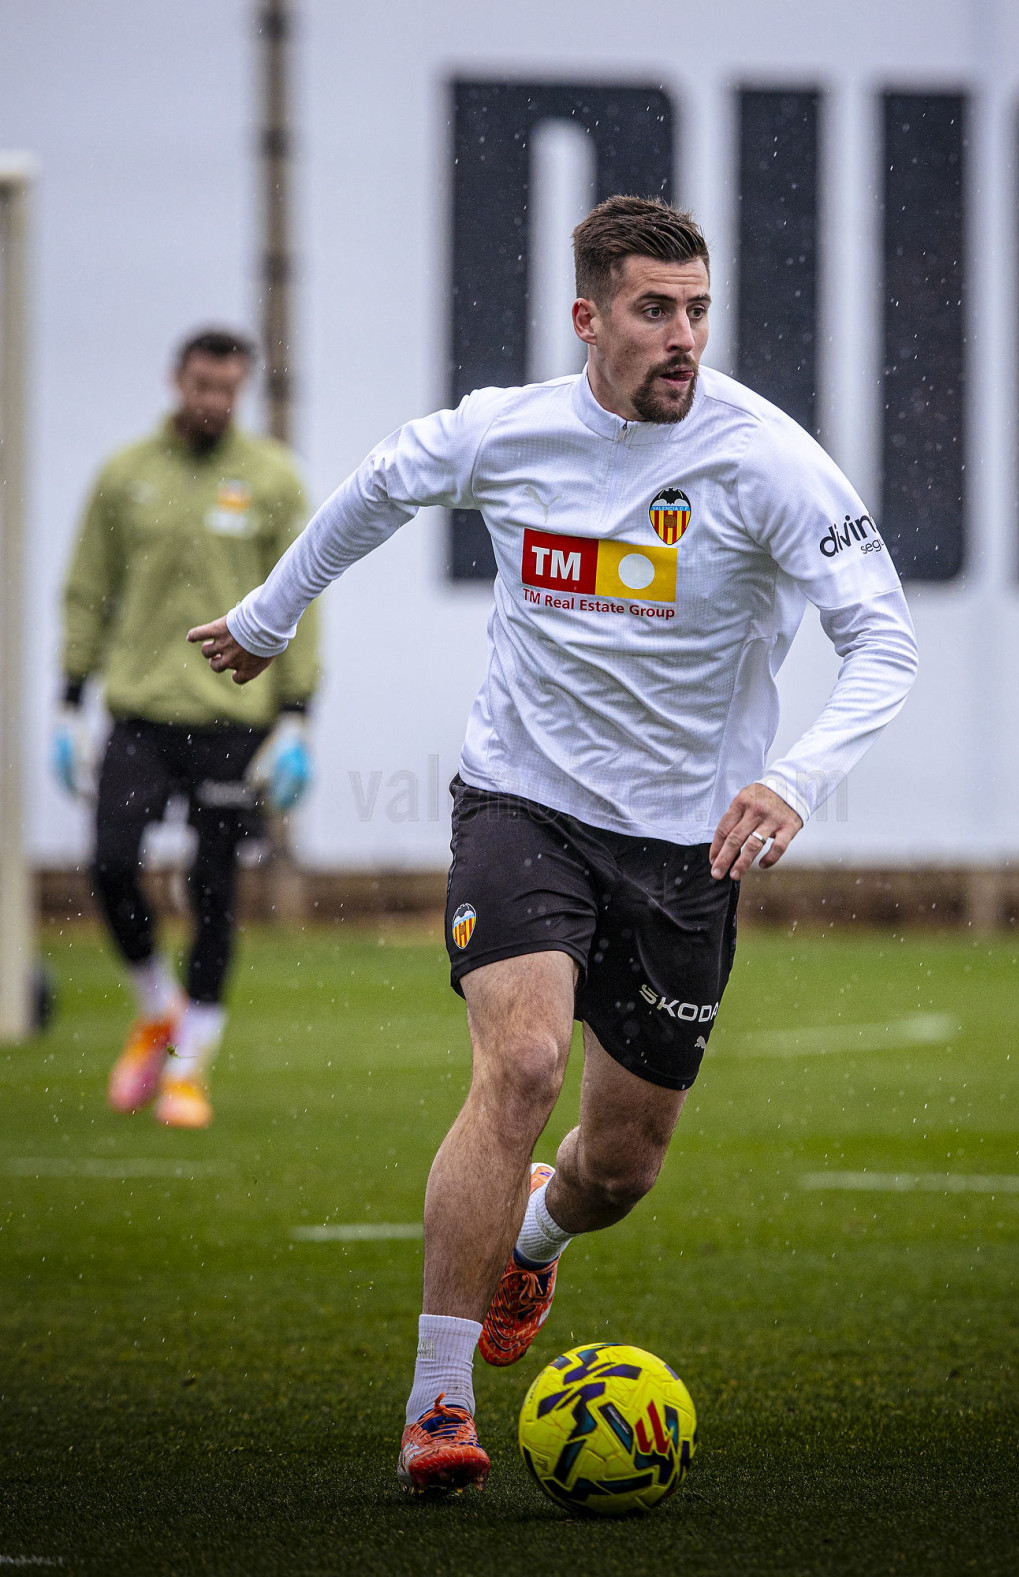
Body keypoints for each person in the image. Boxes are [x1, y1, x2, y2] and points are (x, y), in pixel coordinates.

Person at [188, 197, 918, 1487]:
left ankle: (537, 1235)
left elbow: (885, 639)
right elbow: (381, 484)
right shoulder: (509, 430)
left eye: (698, 309)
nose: (684, 335)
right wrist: (266, 615)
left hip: (684, 852)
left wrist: (794, 780)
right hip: (521, 804)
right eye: (654, 309)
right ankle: (437, 1402)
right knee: (520, 1061)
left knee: (621, 1166)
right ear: (588, 317)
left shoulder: (770, 461)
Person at [54, 328, 319, 1129]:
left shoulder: (271, 478)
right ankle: (157, 1007)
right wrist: (69, 700)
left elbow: (302, 598)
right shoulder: (125, 476)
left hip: (232, 719)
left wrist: (298, 719)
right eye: (202, 385)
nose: (213, 401)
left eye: (227, 389)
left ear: (243, 388)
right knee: (109, 862)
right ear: (177, 379)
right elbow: (87, 589)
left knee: (213, 887)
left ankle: (189, 1063)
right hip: (139, 713)